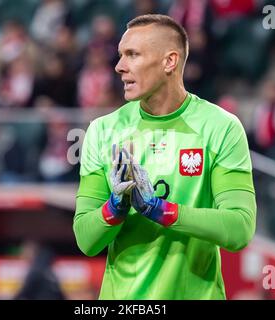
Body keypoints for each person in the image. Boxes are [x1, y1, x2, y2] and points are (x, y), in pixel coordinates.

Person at [73, 14, 256, 300]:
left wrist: (161, 210)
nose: (119, 67)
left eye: (132, 55)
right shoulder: (103, 131)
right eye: (121, 55)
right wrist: (114, 208)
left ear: (169, 61)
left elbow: (240, 228)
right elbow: (86, 239)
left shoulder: (220, 127)